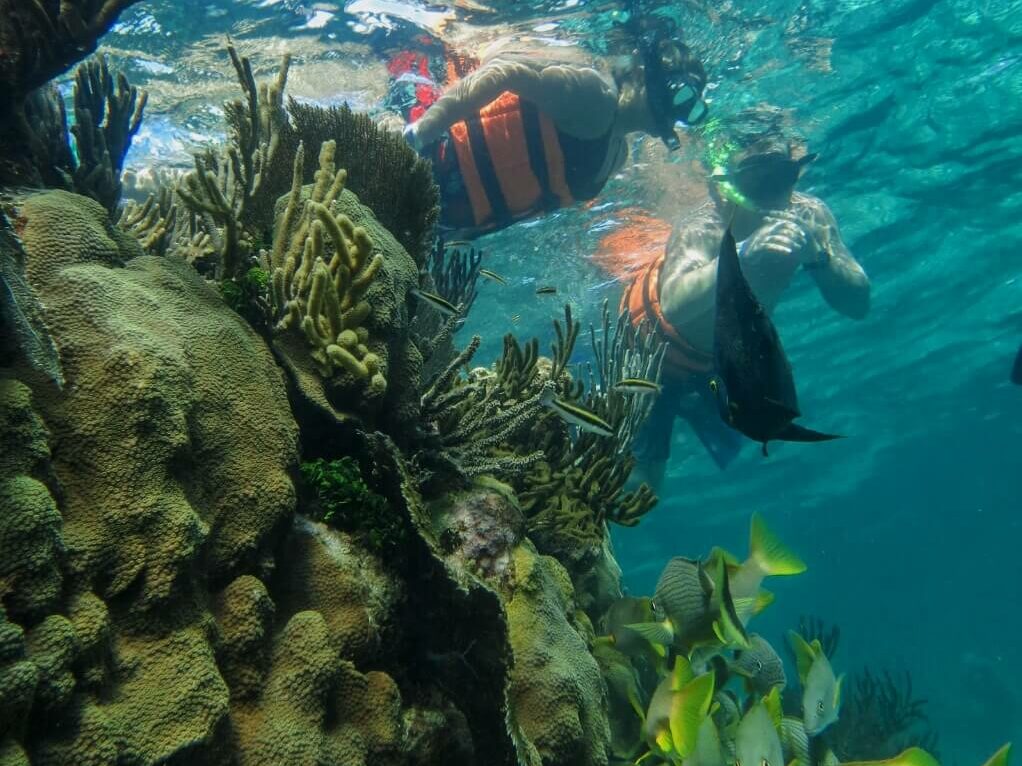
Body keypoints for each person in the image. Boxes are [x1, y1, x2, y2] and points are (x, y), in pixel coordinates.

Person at [611, 128, 871, 486]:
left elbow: (858, 304)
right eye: (755, 178)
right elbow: (674, 305)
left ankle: (687, 420)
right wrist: (743, 254)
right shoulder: (703, 224)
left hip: (722, 359)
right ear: (723, 186)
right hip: (649, 354)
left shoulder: (809, 214)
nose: (772, 194)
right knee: (646, 481)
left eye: (782, 175)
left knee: (766, 431)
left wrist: (821, 258)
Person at [402, 18, 708, 237]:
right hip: (429, 158)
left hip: (440, 219)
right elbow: (504, 72)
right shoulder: (594, 96)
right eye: (679, 95)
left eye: (690, 109)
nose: (675, 116)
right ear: (643, 72)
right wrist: (422, 132)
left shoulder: (618, 156)